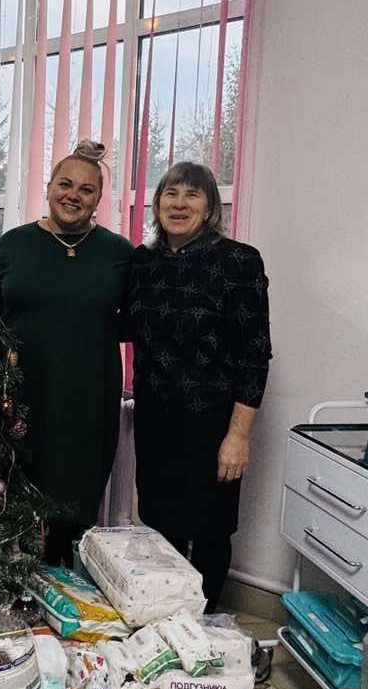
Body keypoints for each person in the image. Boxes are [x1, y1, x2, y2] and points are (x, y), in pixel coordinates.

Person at [128, 161, 271, 611]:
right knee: (159, 522)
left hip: (213, 422)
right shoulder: (142, 262)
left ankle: (205, 624)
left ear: (210, 208)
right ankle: (165, 618)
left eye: (192, 195)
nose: (179, 203)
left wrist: (238, 436)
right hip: (155, 418)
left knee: (209, 529)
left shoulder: (239, 261)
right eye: (170, 194)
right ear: (157, 204)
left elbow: (256, 354)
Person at [0, 140, 133, 564]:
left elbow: (139, 320)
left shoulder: (120, 254)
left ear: (99, 199)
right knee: (16, 504)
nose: (74, 195)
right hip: (19, 400)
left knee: (74, 511)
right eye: (65, 184)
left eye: (86, 189)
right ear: (49, 187)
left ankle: (65, 591)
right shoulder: (11, 246)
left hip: (88, 402)